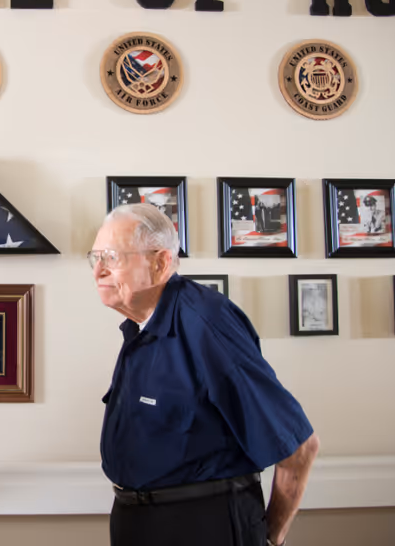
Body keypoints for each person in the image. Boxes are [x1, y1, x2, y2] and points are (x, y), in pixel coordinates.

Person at [89, 204, 319, 546]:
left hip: (202, 523)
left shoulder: (206, 324)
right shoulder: (140, 329)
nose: (99, 272)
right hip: (138, 520)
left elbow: (298, 447)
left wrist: (270, 539)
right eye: (95, 258)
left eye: (112, 257)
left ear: (161, 263)